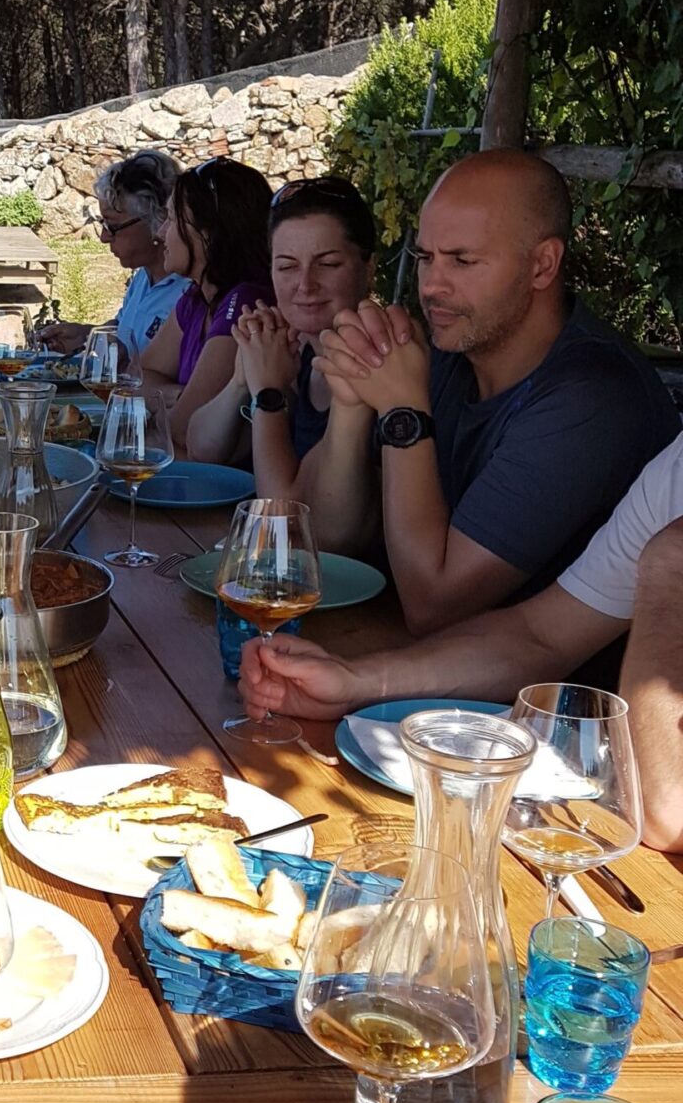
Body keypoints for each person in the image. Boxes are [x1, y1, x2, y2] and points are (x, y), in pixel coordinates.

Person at [237, 425, 683, 847]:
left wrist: (667, 563)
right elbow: (540, 635)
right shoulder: (675, 471)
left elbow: (668, 811)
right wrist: (357, 680)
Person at [306, 149, 676, 635]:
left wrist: (402, 411)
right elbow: (327, 539)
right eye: (425, 258)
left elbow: (433, 605)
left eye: (462, 260)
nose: (432, 286)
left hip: (547, 699)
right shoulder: (451, 352)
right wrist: (355, 395)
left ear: (543, 265)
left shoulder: (593, 397)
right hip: (411, 665)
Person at [185, 177, 378, 479]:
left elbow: (290, 506)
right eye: (287, 266)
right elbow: (201, 449)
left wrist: (268, 393)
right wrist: (242, 378)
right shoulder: (294, 352)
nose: (305, 285)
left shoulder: (377, 364)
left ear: (369, 269)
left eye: (327, 264)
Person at [135, 158, 274, 444]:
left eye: (172, 220)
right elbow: (136, 378)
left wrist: (164, 401)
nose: (161, 234)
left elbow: (180, 430)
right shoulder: (197, 297)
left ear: (208, 232)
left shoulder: (245, 303)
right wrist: (177, 394)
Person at [36, 149, 189, 359]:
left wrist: (125, 361)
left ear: (158, 220)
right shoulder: (144, 276)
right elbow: (126, 329)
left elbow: (186, 383)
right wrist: (86, 336)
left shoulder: (191, 291)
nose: (103, 237)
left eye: (113, 226)